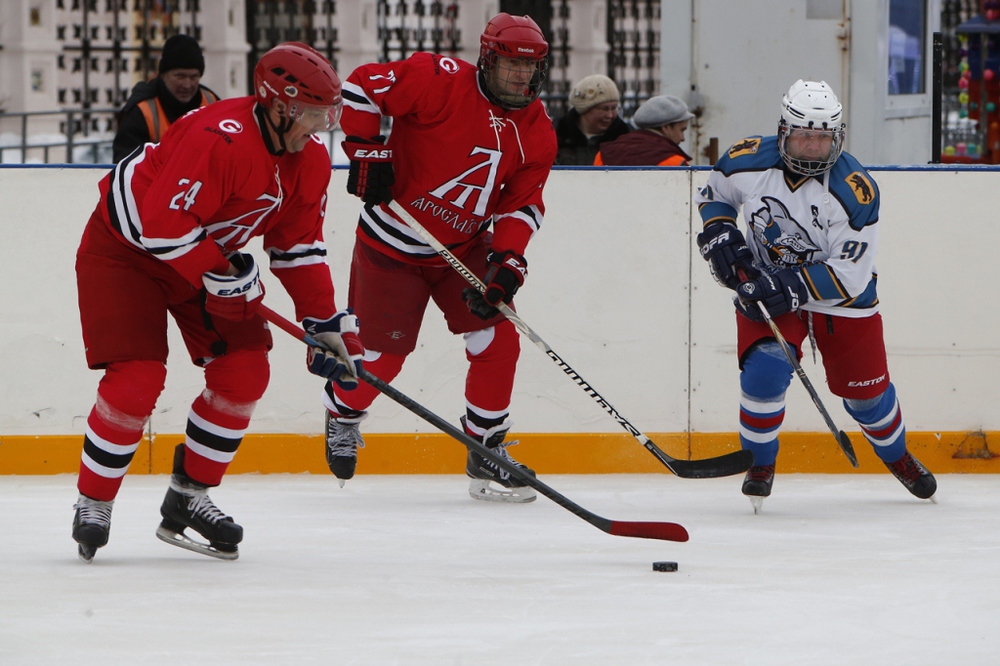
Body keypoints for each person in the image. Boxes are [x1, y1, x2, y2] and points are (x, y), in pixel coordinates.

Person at [71, 42, 364, 562]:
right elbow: (163, 228)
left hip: (201, 257)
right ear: (281, 105)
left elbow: (298, 249)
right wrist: (230, 277)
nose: (321, 126)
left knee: (246, 371)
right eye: (315, 113)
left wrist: (325, 321)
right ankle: (95, 499)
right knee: (137, 380)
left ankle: (189, 497)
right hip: (126, 253)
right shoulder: (219, 138)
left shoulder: (311, 161)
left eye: (327, 113)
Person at [327, 12, 558, 503]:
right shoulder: (439, 79)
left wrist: (508, 260)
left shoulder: (537, 129)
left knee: (497, 341)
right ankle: (342, 413)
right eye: (511, 65)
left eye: (531, 67)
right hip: (390, 243)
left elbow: (522, 204)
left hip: (462, 248)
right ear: (487, 59)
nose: (522, 76)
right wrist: (366, 151)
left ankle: (485, 448)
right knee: (384, 360)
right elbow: (361, 87)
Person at [694, 79, 936, 511]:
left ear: (837, 137)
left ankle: (897, 457)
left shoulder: (855, 190)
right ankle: (760, 463)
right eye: (804, 135)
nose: (812, 147)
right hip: (766, 283)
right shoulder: (746, 158)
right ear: (784, 130)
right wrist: (719, 231)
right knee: (763, 373)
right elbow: (715, 194)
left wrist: (786, 287)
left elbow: (851, 275)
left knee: (866, 397)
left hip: (839, 300)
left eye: (822, 138)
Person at [112, 34, 220, 162]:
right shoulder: (141, 112)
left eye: (194, 77)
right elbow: (125, 167)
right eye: (180, 76)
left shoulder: (212, 103)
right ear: (162, 75)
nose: (187, 85)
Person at [595, 94, 695, 166]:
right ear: (666, 128)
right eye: (682, 130)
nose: (683, 138)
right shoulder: (675, 163)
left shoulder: (603, 155)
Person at [553, 74, 630, 165]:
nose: (610, 115)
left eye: (614, 108)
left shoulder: (625, 137)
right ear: (585, 108)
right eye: (604, 109)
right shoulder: (557, 135)